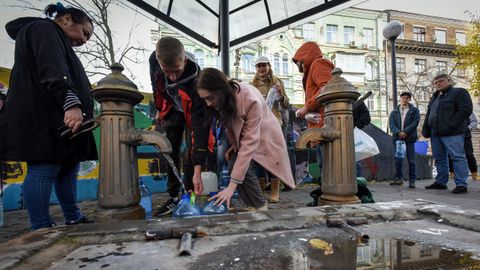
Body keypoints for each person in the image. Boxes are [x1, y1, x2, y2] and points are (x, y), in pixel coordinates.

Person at [0, 3, 97, 230]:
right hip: (47, 117)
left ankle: (73, 216)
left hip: (58, 117)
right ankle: (41, 227)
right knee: (44, 167)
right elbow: (52, 69)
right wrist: (71, 103)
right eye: (84, 32)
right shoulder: (44, 30)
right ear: (66, 19)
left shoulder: (53, 36)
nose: (84, 40)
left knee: (68, 167)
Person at [194, 68, 295, 210]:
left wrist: (231, 187)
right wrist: (234, 144)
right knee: (232, 165)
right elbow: (228, 124)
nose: (208, 103)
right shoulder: (224, 99)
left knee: (243, 168)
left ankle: (260, 207)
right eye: (204, 99)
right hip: (247, 137)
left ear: (220, 89)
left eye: (210, 98)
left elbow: (250, 142)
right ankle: (251, 206)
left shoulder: (249, 98)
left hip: (264, 137)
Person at [149, 37, 213, 216]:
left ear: (185, 61)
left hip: (192, 111)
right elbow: (156, 85)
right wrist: (160, 107)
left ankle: (191, 193)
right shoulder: (154, 60)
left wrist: (198, 164)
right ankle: (173, 196)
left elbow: (201, 126)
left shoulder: (198, 80)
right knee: (169, 149)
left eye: (177, 71)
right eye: (167, 72)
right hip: (173, 109)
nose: (172, 77)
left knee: (191, 150)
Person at [422, 73, 472, 194]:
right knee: (439, 159)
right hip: (435, 133)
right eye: (436, 82)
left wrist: (451, 124)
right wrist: (426, 129)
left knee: (457, 156)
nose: (438, 83)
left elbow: (465, 110)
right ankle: (441, 182)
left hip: (452, 132)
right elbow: (429, 114)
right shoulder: (434, 97)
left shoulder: (459, 92)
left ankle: (461, 184)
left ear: (449, 81)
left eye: (441, 81)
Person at [251, 56, 289, 203]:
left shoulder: (278, 82)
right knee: (259, 158)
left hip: (275, 124)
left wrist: (280, 94)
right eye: (259, 66)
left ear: (269, 66)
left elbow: (286, 105)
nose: (261, 68)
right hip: (259, 124)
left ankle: (274, 192)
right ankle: (260, 192)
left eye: (264, 65)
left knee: (274, 157)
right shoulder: (252, 85)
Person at [388, 91, 420, 188]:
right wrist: (399, 132)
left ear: (409, 99)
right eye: (403, 98)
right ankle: (399, 178)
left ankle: (412, 181)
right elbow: (391, 125)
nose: (404, 100)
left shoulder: (414, 110)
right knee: (398, 159)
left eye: (407, 98)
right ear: (400, 99)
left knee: (411, 160)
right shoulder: (394, 111)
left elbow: (415, 122)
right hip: (398, 139)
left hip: (410, 138)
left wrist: (405, 131)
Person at [449, 113, 478, 181]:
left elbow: (474, 121)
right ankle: (452, 173)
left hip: (465, 136)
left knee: (469, 154)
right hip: (453, 135)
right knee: (450, 154)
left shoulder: (467, 109)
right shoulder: (450, 108)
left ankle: (474, 173)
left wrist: (468, 128)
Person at [352, 99, 371, 177]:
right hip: (336, 135)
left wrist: (355, 127)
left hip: (352, 134)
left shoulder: (357, 102)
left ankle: (357, 183)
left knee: (355, 161)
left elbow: (366, 118)